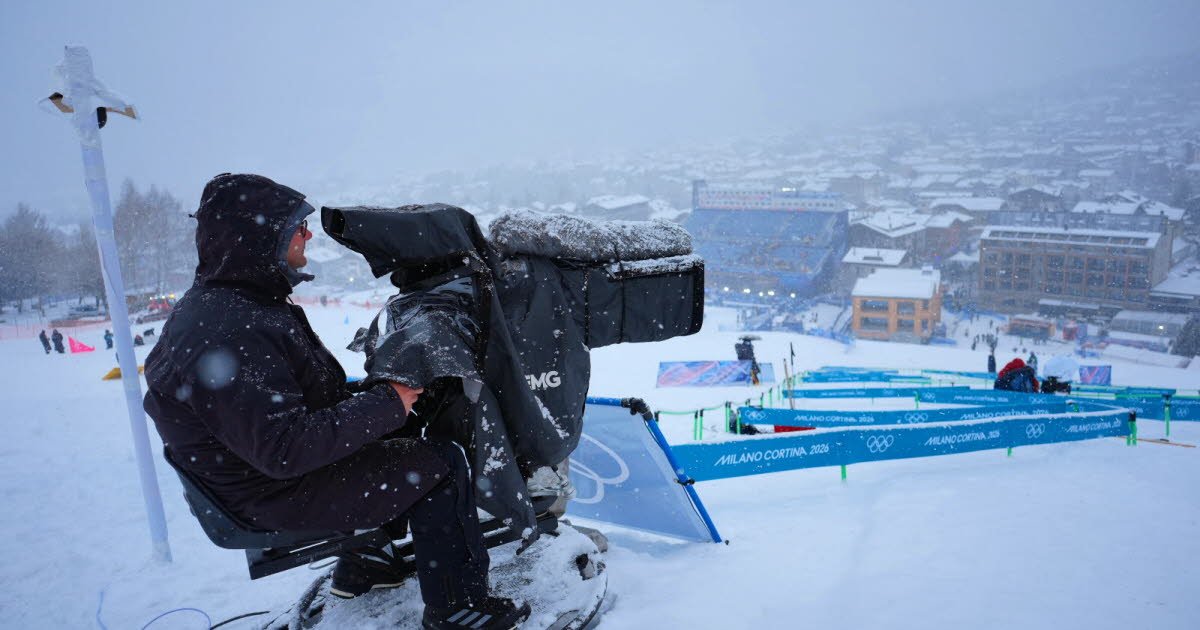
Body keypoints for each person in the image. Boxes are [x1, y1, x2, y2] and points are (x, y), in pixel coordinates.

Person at [142, 174, 528, 629]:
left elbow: (295, 407)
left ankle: (368, 564)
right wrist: (386, 403)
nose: (306, 236)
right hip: (268, 493)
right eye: (296, 228)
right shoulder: (231, 327)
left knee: (400, 428)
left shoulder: (238, 304)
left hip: (256, 479)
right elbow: (284, 449)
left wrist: (384, 401)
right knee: (439, 464)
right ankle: (458, 607)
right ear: (260, 239)